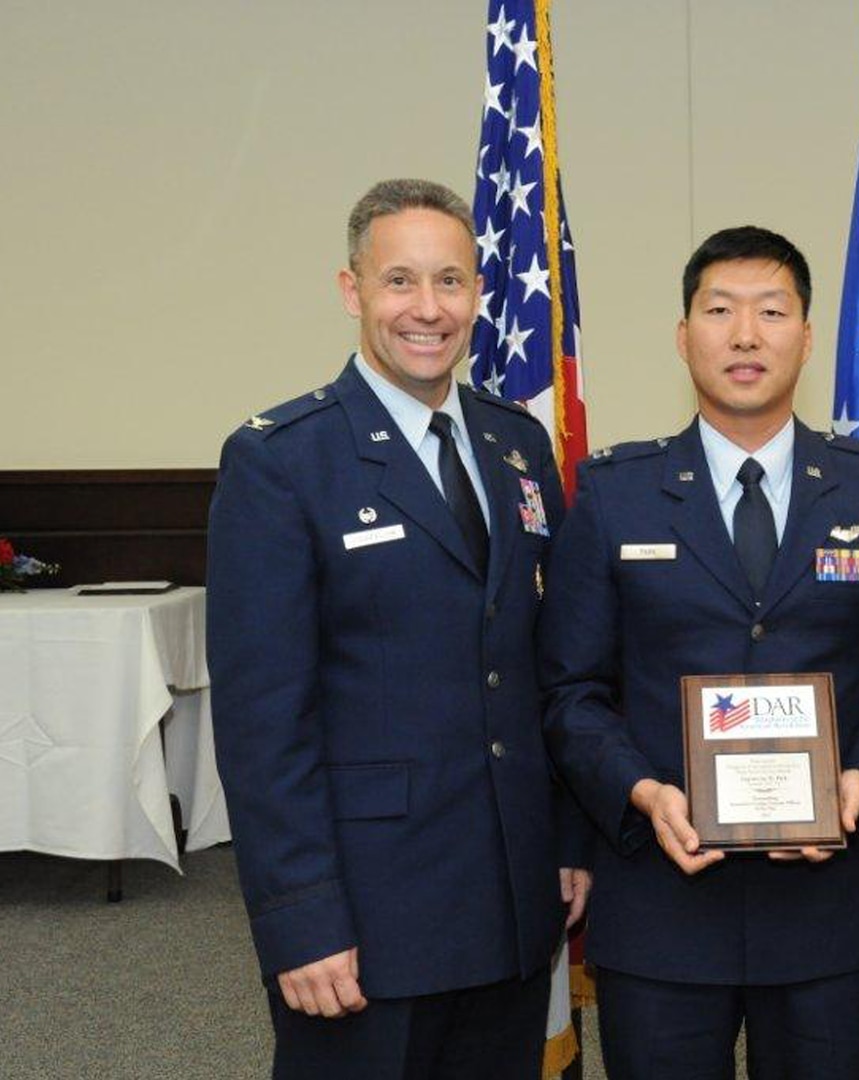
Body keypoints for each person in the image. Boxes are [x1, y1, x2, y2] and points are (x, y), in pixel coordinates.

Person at [206, 178, 589, 1079]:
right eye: (400, 282)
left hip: (509, 897)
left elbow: (548, 668)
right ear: (353, 291)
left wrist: (566, 843)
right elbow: (264, 722)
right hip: (367, 918)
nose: (428, 310)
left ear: (479, 295)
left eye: (450, 282)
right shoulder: (282, 460)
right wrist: (300, 916)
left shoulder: (515, 445)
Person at [538, 226, 859, 1079]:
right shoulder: (614, 495)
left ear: (805, 332)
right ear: (685, 337)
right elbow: (573, 689)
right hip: (663, 901)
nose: (746, 335)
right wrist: (641, 793)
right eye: (720, 311)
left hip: (833, 903)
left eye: (771, 311)